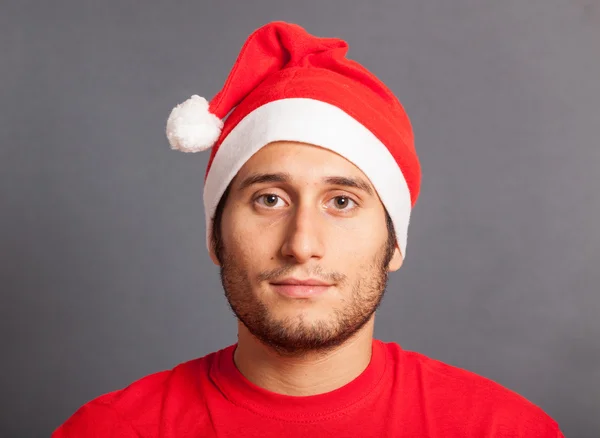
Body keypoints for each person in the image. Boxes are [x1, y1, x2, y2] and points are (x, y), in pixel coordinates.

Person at [53, 21, 564, 437]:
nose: (301, 244)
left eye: (341, 201)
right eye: (269, 199)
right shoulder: (111, 430)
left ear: (394, 243)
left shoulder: (501, 429)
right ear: (214, 235)